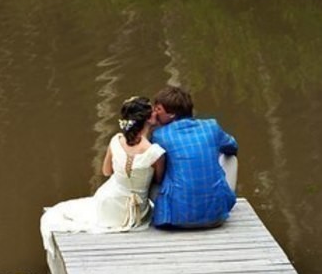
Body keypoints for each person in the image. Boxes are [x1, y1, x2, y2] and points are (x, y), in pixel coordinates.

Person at [40, 97, 165, 254]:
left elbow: (106, 171)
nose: (155, 111)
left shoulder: (116, 141)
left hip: (108, 205)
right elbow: (159, 180)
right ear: (147, 119)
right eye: (152, 110)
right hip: (136, 213)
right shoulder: (156, 152)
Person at [149, 85, 238, 229]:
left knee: (150, 164)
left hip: (175, 220)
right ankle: (219, 202)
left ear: (171, 114)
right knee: (230, 157)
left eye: (158, 109)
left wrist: (151, 127)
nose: (153, 113)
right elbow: (233, 146)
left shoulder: (159, 135)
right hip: (216, 218)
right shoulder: (211, 126)